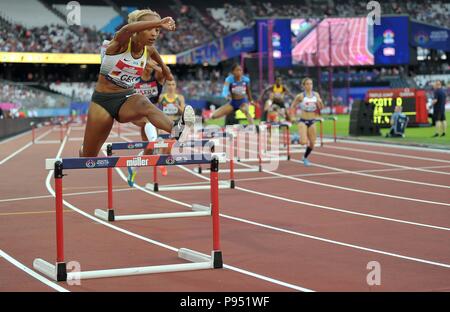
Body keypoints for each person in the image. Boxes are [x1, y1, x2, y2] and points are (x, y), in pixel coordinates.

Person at [79, 9, 195, 158]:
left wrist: (165, 71)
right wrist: (159, 22)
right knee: (89, 156)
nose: (154, 33)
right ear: (138, 29)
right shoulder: (120, 43)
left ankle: (177, 131)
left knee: (144, 103)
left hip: (126, 99)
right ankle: (84, 150)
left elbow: (156, 56)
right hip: (103, 102)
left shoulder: (148, 50)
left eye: (157, 30)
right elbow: (127, 29)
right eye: (149, 29)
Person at [291, 78, 324, 166]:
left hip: (312, 121)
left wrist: (320, 102)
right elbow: (293, 106)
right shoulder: (300, 96)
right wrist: (293, 117)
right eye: (307, 84)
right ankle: (296, 137)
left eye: (311, 84)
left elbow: (321, 108)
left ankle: (305, 157)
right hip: (303, 121)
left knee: (312, 144)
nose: (310, 86)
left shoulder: (316, 95)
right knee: (303, 142)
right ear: (304, 86)